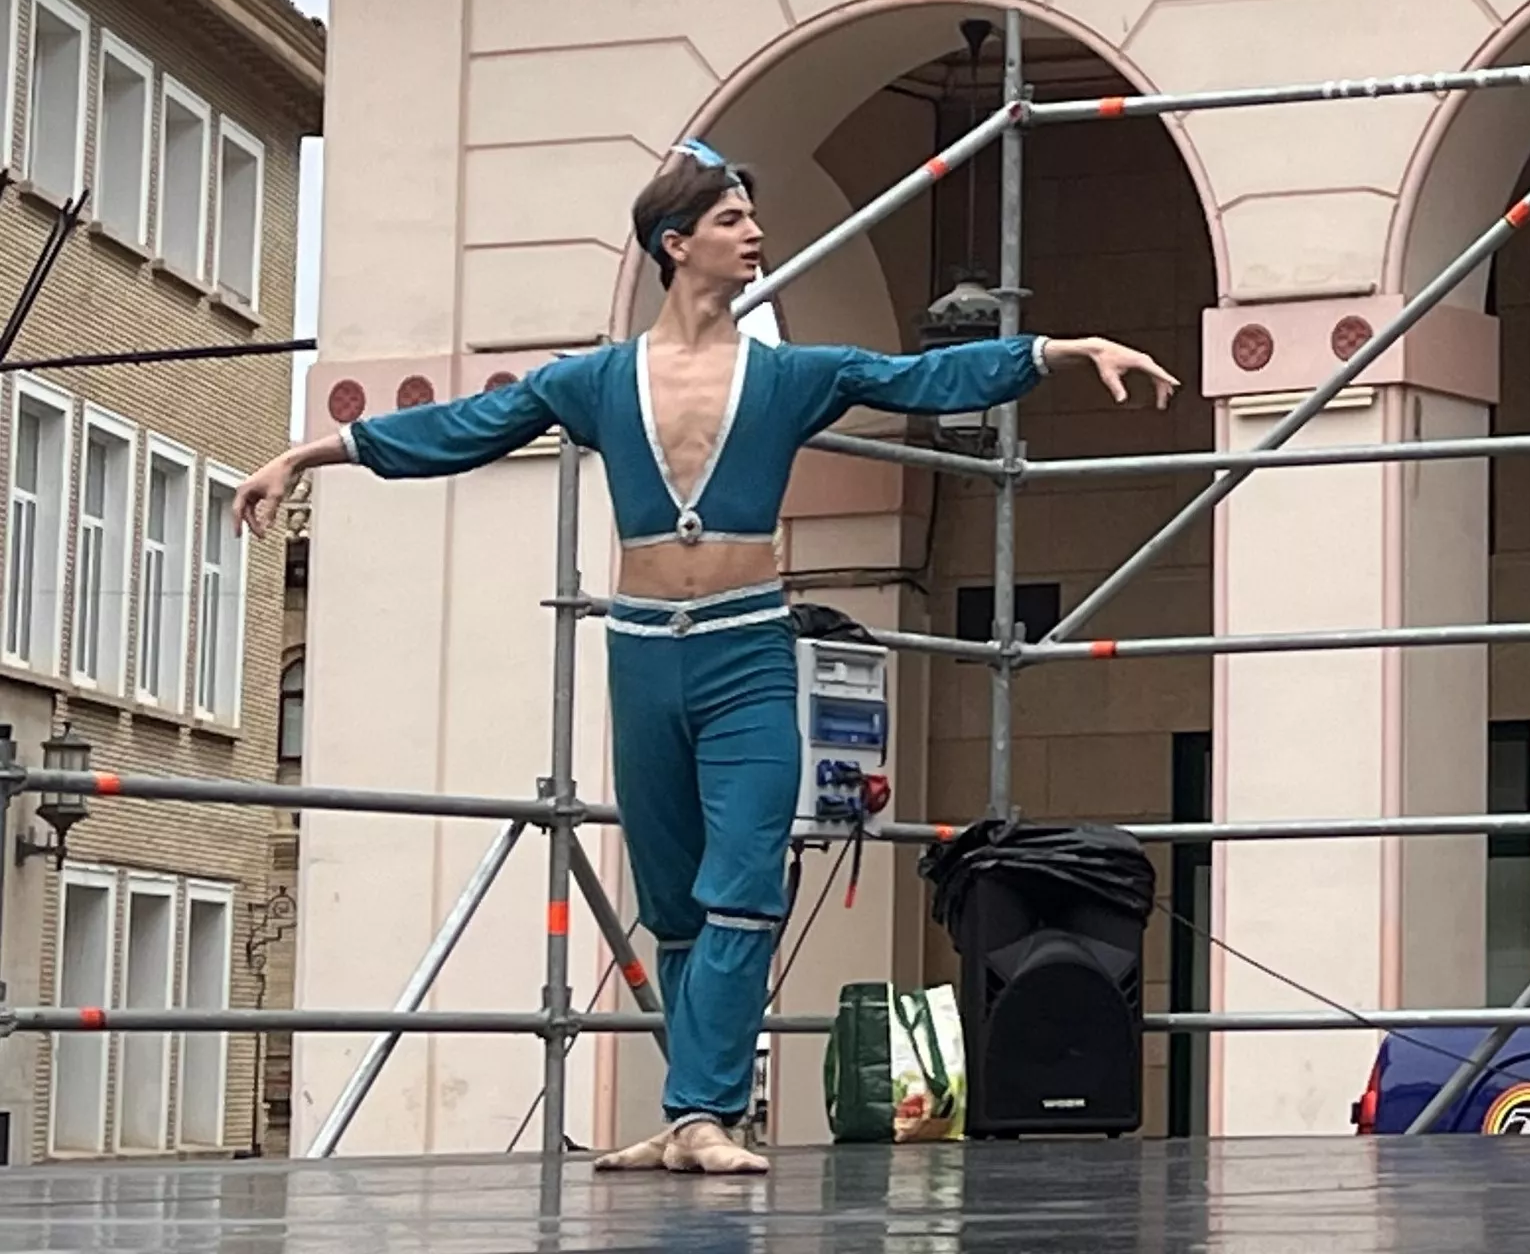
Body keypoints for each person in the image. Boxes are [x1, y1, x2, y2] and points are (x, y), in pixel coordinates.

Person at [232, 142, 1181, 1176]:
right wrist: (310, 452)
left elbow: (918, 376)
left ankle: (705, 1110)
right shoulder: (595, 380)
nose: (753, 234)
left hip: (745, 649)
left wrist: (1064, 350)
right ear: (676, 244)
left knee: (743, 887)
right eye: (731, 220)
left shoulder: (786, 375)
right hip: (642, 656)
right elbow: (467, 426)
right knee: (675, 900)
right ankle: (688, 1116)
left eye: (750, 218)